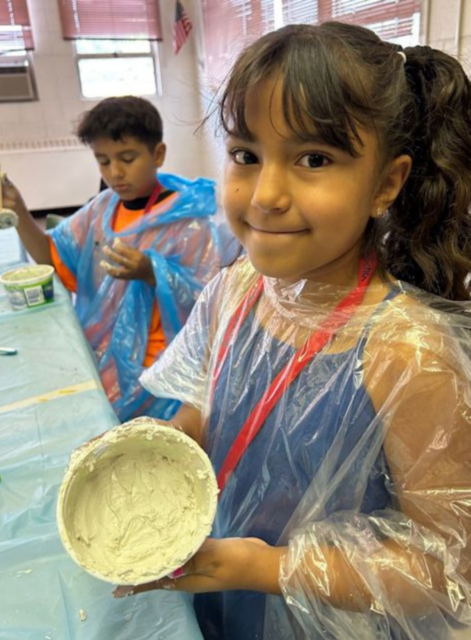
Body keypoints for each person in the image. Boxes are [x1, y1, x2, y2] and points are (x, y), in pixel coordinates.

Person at [124, 22, 471, 639]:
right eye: (246, 155)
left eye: (314, 159)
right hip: (226, 590)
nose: (265, 194)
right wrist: (162, 448)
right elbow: (210, 410)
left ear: (386, 184)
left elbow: (447, 564)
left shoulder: (407, 354)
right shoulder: (236, 290)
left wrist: (271, 569)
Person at [1, 96, 227, 420]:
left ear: (158, 154)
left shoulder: (189, 224)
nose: (115, 172)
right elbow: (51, 258)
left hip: (161, 360)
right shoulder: (102, 209)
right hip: (102, 350)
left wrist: (152, 271)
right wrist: (19, 212)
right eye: (103, 161)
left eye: (127, 158)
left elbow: (211, 302)